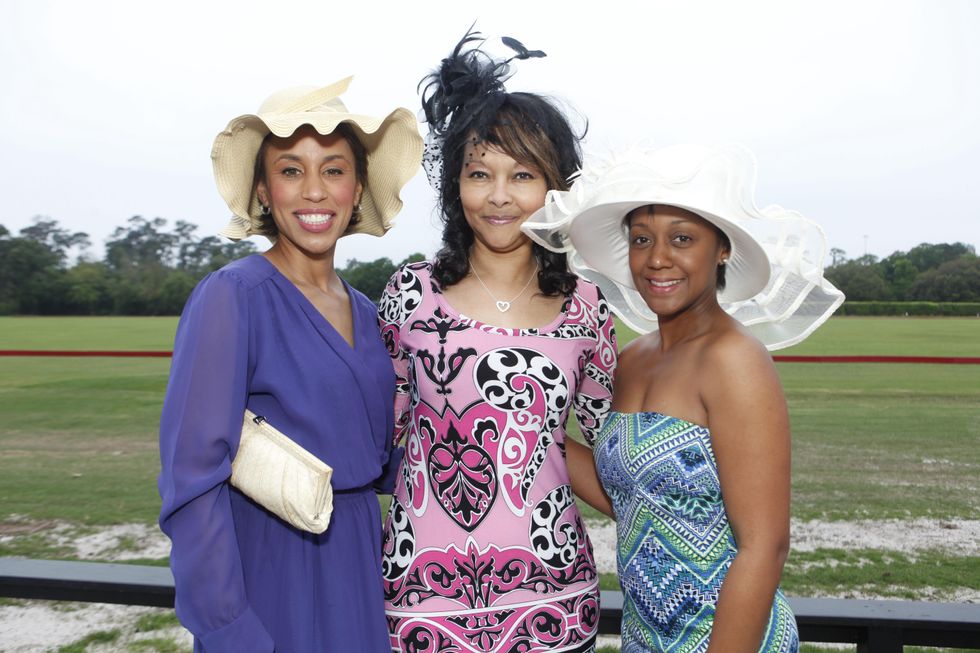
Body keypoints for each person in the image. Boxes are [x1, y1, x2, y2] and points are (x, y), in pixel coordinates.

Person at [522, 144, 844, 652]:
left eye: (682, 239)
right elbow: (632, 496)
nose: (657, 259)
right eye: (642, 239)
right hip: (645, 636)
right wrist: (524, 423)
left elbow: (765, 546)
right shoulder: (633, 359)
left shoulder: (735, 361)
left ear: (722, 249)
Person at [157, 77, 422, 652]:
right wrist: (228, 626)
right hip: (272, 571)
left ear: (356, 188)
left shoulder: (371, 313)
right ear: (262, 189)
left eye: (333, 169)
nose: (314, 191)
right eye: (291, 170)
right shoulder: (233, 297)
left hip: (361, 566)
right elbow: (191, 479)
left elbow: (386, 460)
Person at [378, 31, 617, 652]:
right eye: (479, 174)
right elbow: (378, 432)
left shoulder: (587, 308)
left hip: (553, 601)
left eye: (523, 175)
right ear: (455, 185)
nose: (500, 196)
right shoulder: (410, 294)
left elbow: (609, 450)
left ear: (555, 186)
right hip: (420, 601)